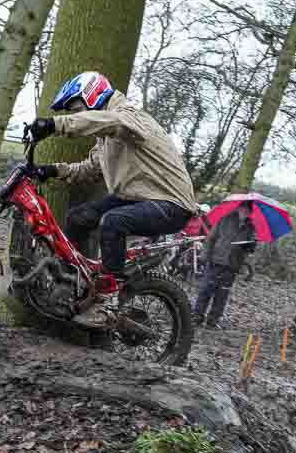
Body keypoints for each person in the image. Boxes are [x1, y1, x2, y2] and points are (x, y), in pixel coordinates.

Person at [27, 71, 198, 327]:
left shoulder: (131, 117)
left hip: (171, 204)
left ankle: (106, 302)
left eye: (75, 109)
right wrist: (53, 170)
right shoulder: (107, 139)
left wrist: (55, 125)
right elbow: (88, 169)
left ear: (92, 95)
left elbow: (111, 122)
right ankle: (79, 285)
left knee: (114, 221)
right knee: (78, 218)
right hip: (137, 198)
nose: (74, 116)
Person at [192, 202, 256, 328]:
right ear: (239, 207)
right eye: (244, 208)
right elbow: (211, 238)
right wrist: (204, 256)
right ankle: (197, 316)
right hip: (216, 260)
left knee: (222, 295)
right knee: (205, 290)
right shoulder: (225, 219)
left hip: (232, 265)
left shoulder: (251, 227)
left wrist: (251, 246)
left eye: (248, 210)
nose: (245, 211)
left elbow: (251, 248)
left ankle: (213, 321)